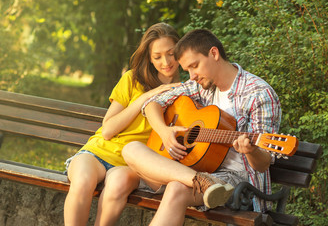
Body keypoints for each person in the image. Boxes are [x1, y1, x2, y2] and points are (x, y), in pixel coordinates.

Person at [122, 29, 281, 225]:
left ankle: (201, 182)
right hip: (197, 170)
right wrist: (164, 132)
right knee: (131, 149)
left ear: (214, 54)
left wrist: (251, 150)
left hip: (238, 183)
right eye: (187, 69)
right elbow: (151, 104)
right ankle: (200, 182)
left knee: (175, 189)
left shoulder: (259, 94)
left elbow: (262, 164)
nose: (192, 75)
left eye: (194, 66)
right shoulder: (199, 86)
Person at [64, 22, 182, 226]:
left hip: (132, 165)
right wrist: (147, 97)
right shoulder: (132, 79)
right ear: (149, 58)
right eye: (157, 56)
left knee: (117, 183)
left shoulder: (185, 93)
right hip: (98, 152)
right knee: (82, 181)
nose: (166, 61)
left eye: (171, 53)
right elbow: (108, 130)